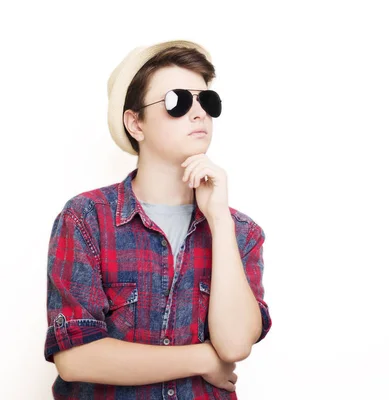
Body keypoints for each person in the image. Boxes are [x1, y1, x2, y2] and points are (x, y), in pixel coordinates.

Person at [43, 39, 272, 399]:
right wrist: (201, 358)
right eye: (178, 101)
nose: (199, 113)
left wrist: (219, 220)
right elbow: (76, 358)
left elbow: (235, 346)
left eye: (206, 101)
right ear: (135, 123)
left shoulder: (241, 232)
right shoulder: (87, 219)